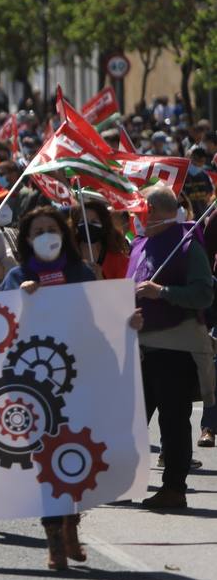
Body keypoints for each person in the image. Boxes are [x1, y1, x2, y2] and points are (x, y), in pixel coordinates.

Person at [0, 207, 99, 568]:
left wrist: (126, 320)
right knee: (46, 460)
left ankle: (72, 522)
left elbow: (100, 320)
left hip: (77, 379)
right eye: (37, 230)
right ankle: (54, 537)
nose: (45, 235)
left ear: (63, 234)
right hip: (33, 386)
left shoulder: (80, 274)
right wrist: (19, 303)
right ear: (27, 239)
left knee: (75, 455)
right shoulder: (16, 276)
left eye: (51, 229)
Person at [128, 183, 214, 511]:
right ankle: (120, 478)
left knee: (173, 421)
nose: (135, 214)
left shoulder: (187, 245)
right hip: (140, 346)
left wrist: (162, 292)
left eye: (139, 207)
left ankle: (174, 488)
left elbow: (204, 294)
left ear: (152, 210)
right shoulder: (141, 243)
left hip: (174, 349)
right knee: (130, 419)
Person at [72, 196, 129, 280]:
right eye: (82, 221)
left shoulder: (119, 260)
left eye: (94, 222)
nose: (88, 226)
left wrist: (100, 278)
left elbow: (121, 291)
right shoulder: (67, 255)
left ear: (104, 225)